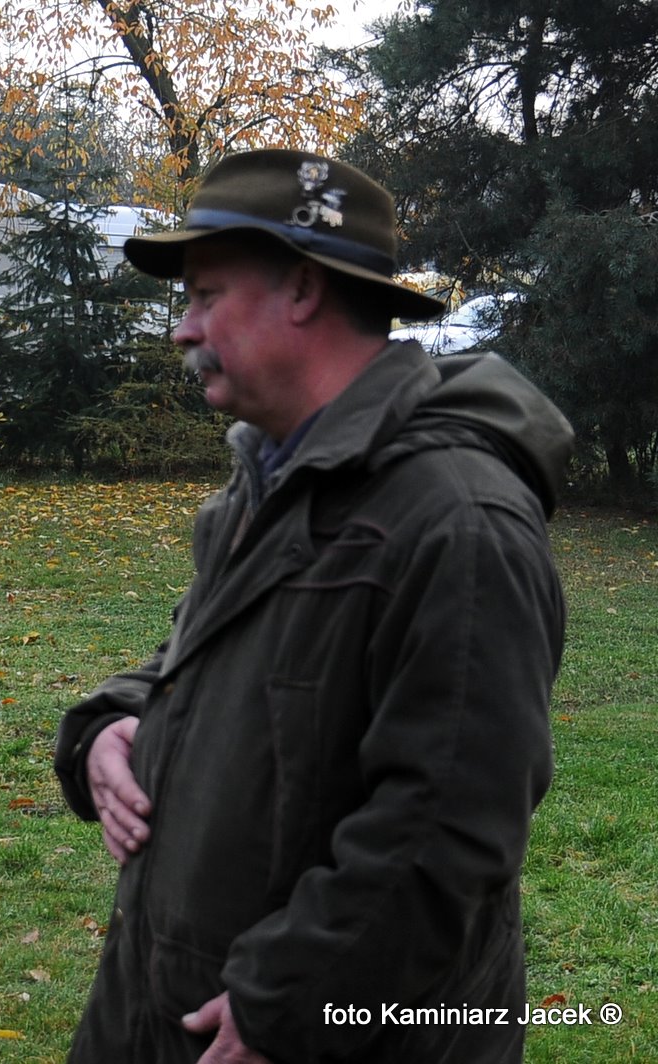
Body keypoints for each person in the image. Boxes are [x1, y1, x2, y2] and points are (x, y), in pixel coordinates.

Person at [53, 149, 573, 1064]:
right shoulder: (269, 481)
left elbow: (448, 826)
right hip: (160, 1003)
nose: (182, 329)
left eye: (205, 294)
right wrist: (109, 724)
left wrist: (287, 1002)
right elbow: (209, 660)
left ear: (301, 289)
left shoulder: (459, 520)